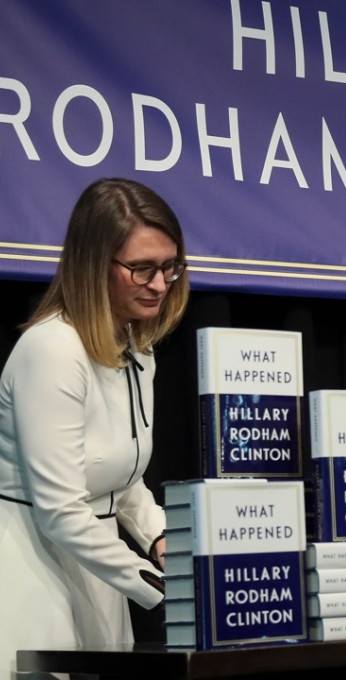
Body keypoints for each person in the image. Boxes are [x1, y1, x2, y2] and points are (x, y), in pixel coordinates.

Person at [0, 178, 189, 678]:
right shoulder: (52, 350)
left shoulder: (137, 348)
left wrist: (162, 539)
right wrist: (157, 581)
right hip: (32, 572)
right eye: (142, 268)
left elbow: (118, 478)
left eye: (170, 267)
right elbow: (62, 509)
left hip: (100, 574)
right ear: (92, 265)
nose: (159, 284)